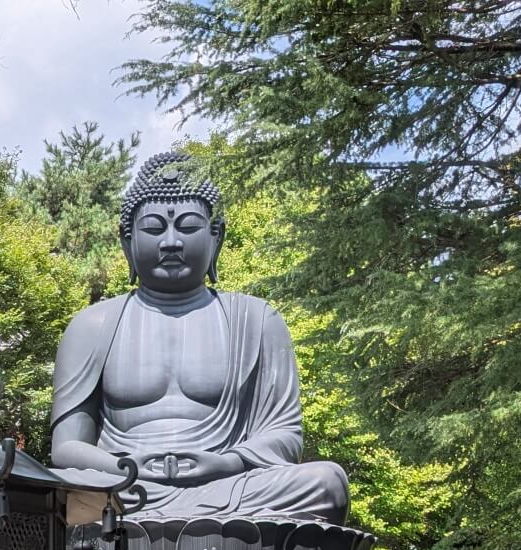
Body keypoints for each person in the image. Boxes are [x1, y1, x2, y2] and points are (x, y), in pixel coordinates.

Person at [49, 152, 348, 522]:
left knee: (325, 483)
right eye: (155, 229)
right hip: (122, 490)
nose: (171, 242)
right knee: (48, 492)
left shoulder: (256, 320)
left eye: (188, 227)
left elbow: (285, 435)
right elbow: (66, 449)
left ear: (215, 237)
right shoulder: (92, 325)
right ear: (127, 242)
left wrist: (227, 462)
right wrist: (126, 465)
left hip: (229, 487)